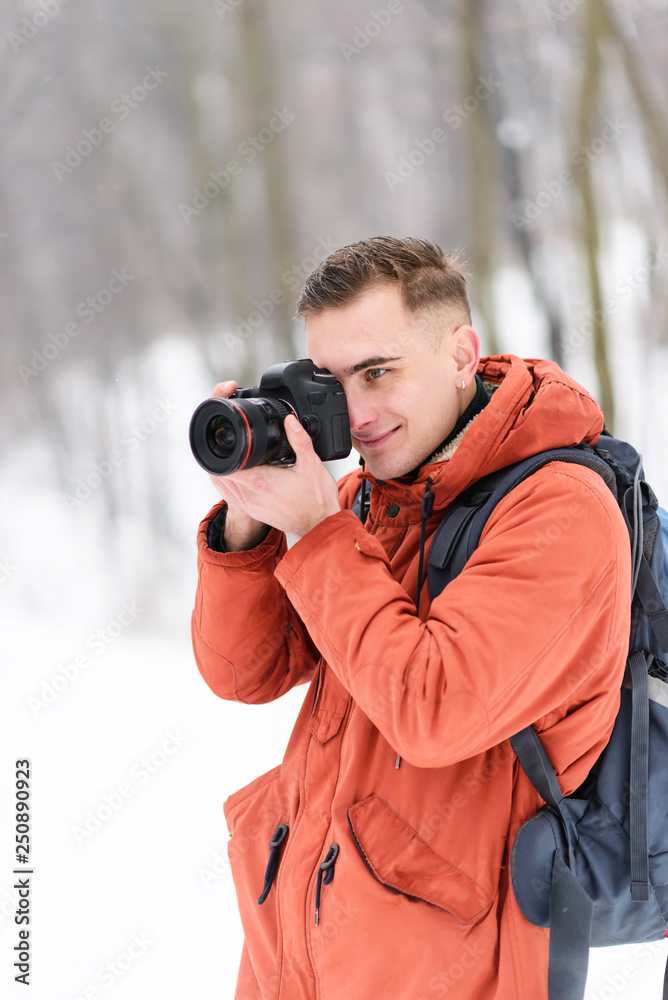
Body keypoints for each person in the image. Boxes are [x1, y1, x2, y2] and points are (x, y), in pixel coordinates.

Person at [191, 236, 631, 1000]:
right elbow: (241, 671)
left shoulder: (560, 509)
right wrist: (251, 523)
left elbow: (436, 709)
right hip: (291, 963)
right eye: (326, 382)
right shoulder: (368, 500)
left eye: (377, 372)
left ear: (463, 354)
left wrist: (320, 535)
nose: (355, 414)